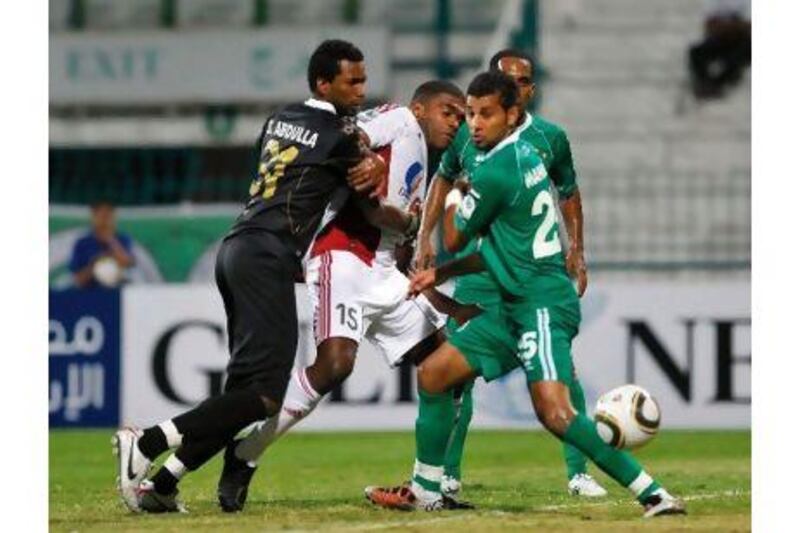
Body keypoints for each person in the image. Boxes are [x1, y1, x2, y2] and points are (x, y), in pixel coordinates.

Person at [366, 71, 686, 518]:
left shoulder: (498, 169)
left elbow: (456, 235)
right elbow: (492, 254)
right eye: (470, 114)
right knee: (436, 373)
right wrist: (439, 273)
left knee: (554, 412)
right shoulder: (521, 154)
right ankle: (426, 489)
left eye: (485, 115)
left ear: (513, 114)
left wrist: (458, 192)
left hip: (539, 304)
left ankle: (653, 493)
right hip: (512, 302)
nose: (473, 125)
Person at [112, 39, 387, 513]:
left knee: (241, 396)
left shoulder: (279, 118)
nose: (362, 89)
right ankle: (148, 442)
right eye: (353, 81)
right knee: (263, 398)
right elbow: (367, 193)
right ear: (324, 82)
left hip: (237, 246)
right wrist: (377, 165)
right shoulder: (341, 133)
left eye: (363, 79)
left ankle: (163, 486)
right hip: (267, 255)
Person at [215, 80, 469, 512]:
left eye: (462, 117)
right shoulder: (400, 119)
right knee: (333, 366)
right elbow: (351, 133)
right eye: (448, 111)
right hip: (344, 257)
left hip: (385, 271)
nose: (455, 122)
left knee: (447, 367)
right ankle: (244, 454)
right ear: (420, 108)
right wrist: (365, 159)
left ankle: (428, 488)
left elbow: (399, 224)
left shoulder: (429, 158)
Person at [411, 49, 602, 498]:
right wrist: (425, 237)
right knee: (456, 375)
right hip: (479, 272)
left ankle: (578, 472)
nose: (515, 84)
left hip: (528, 272)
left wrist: (577, 249)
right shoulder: (470, 133)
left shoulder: (551, 138)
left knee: (561, 371)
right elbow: (443, 179)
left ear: (529, 91)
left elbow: (568, 192)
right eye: (505, 77)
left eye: (523, 80)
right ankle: (446, 474)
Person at [68, 201, 135, 288]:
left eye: (108, 216)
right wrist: (95, 266)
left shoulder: (123, 239)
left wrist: (111, 240)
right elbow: (78, 279)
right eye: (102, 216)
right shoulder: (82, 243)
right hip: (89, 292)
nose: (105, 221)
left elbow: (128, 263)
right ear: (93, 217)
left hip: (117, 291)